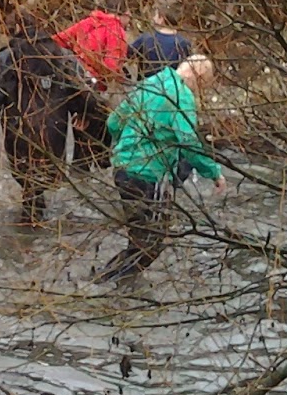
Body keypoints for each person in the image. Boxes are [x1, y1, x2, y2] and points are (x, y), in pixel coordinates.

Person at [93, 55, 226, 286]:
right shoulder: (181, 97)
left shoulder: (152, 82)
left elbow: (114, 121)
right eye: (202, 87)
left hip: (122, 167)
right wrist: (214, 172)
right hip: (147, 175)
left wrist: (125, 144)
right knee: (152, 242)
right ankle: (109, 286)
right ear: (198, 79)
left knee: (140, 237)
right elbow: (189, 143)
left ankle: (108, 281)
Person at [0, 16, 111, 223]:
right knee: (45, 178)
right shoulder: (64, 58)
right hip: (53, 130)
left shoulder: (7, 59)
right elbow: (90, 95)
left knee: (27, 179)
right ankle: (40, 218)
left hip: (19, 130)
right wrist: (87, 117)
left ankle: (31, 218)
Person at [53, 0, 129, 89]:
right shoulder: (116, 31)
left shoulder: (88, 22)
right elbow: (110, 65)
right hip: (93, 81)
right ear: (124, 14)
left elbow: (60, 39)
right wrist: (118, 76)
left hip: (73, 71)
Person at [128, 0, 192, 79]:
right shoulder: (184, 43)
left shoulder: (147, 38)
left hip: (146, 87)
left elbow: (127, 54)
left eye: (155, 15)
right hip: (172, 88)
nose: (153, 18)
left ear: (161, 18)